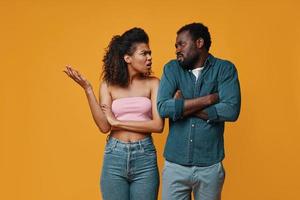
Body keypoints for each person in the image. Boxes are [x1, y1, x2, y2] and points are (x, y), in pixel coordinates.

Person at [64, 28, 163, 200]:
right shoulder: (108, 85)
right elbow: (104, 126)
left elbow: (158, 125)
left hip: (145, 157)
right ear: (127, 58)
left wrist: (117, 123)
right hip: (114, 155)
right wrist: (88, 89)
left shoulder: (153, 84)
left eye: (150, 53)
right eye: (144, 53)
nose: (149, 58)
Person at [157, 22, 241, 200]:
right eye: (176, 46)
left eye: (181, 44)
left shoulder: (224, 69)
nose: (177, 50)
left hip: (209, 166)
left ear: (199, 43)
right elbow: (163, 107)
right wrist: (209, 100)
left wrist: (182, 106)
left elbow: (231, 110)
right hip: (175, 166)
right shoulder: (171, 69)